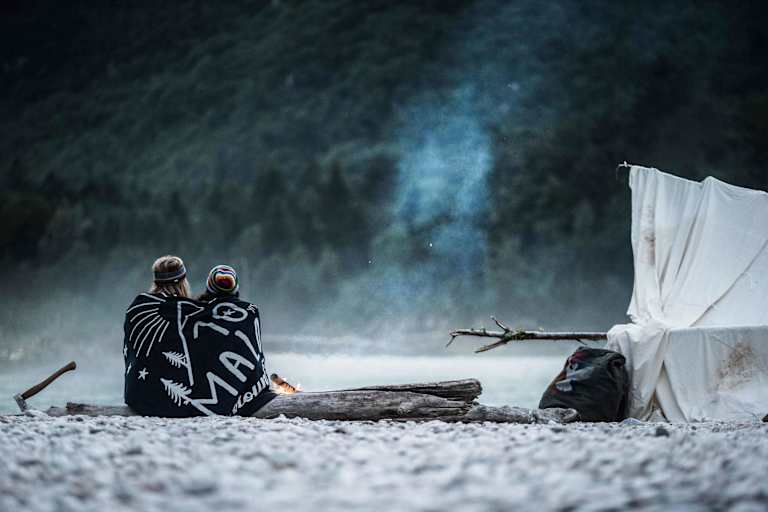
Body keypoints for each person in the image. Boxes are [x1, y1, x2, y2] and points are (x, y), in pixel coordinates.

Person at [123, 256, 274, 417]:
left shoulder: (138, 307)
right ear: (183, 281)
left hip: (140, 395)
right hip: (179, 402)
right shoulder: (191, 312)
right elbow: (223, 316)